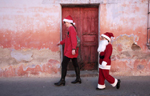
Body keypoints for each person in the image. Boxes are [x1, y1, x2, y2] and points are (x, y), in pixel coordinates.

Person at [54, 15, 81, 86]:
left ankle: (62, 80)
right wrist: (60, 43)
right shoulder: (71, 28)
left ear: (69, 22)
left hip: (70, 50)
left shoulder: (71, 29)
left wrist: (73, 49)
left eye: (65, 22)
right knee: (75, 63)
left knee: (64, 64)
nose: (65, 24)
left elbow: (73, 39)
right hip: (72, 49)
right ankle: (78, 78)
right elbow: (67, 39)